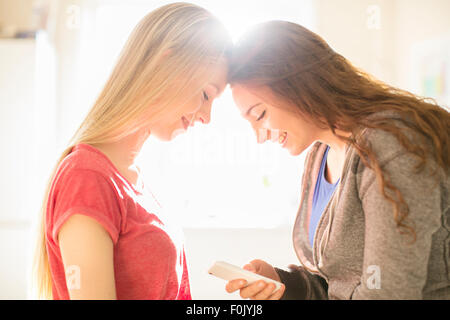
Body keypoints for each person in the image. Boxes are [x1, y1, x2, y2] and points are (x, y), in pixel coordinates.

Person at [225, 20, 450, 299]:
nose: (260, 137)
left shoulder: (389, 146)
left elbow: (390, 292)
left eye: (259, 115)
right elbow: (338, 283)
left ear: (297, 84)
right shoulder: (320, 155)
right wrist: (284, 285)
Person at [32, 2, 231, 299]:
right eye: (205, 94)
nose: (207, 117)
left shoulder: (134, 180)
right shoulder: (87, 178)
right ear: (166, 66)